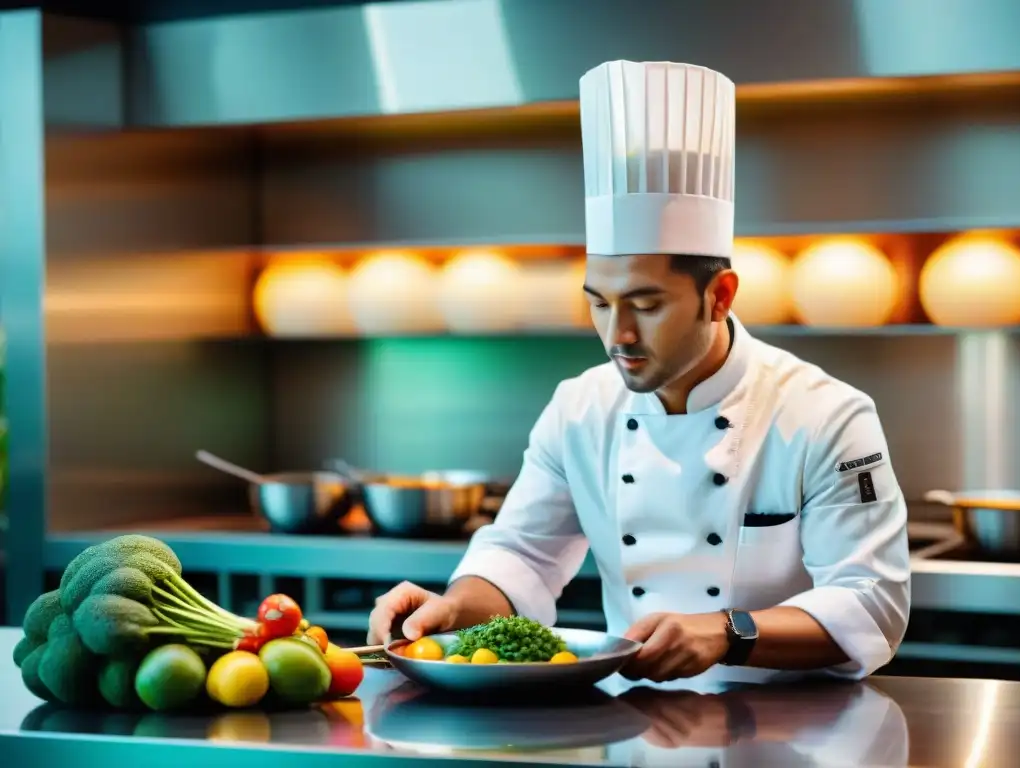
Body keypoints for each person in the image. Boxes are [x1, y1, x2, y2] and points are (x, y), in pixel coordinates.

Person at [367, 60, 911, 686]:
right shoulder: (579, 409)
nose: (617, 335)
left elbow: (872, 602)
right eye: (599, 302)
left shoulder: (825, 415)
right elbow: (522, 554)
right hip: (631, 725)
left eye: (646, 305)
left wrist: (728, 632)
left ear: (720, 296)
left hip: (793, 733)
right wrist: (453, 609)